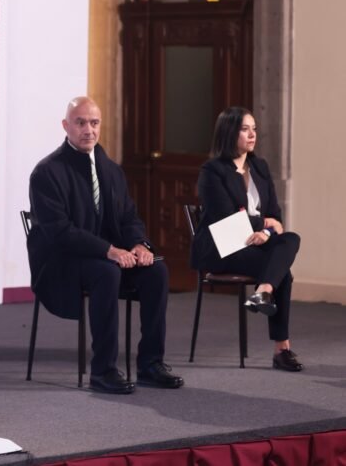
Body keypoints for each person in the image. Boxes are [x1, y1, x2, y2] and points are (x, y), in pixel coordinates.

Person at [27, 97, 184, 394]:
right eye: (80, 123)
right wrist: (109, 251)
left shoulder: (110, 169)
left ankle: (151, 363)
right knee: (107, 272)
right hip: (62, 262)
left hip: (106, 257)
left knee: (156, 272)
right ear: (66, 126)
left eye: (94, 123)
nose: (89, 130)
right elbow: (60, 232)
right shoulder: (47, 172)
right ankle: (103, 370)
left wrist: (139, 244)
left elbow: (128, 216)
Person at [191, 106, 303, 372]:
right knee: (283, 272)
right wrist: (264, 225)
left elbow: (276, 215)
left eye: (254, 129)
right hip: (222, 246)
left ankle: (263, 291)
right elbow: (225, 216)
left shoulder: (260, 167)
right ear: (230, 132)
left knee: (291, 238)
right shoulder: (212, 171)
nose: (252, 135)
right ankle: (281, 349)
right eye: (245, 129)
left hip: (255, 240)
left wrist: (266, 233)